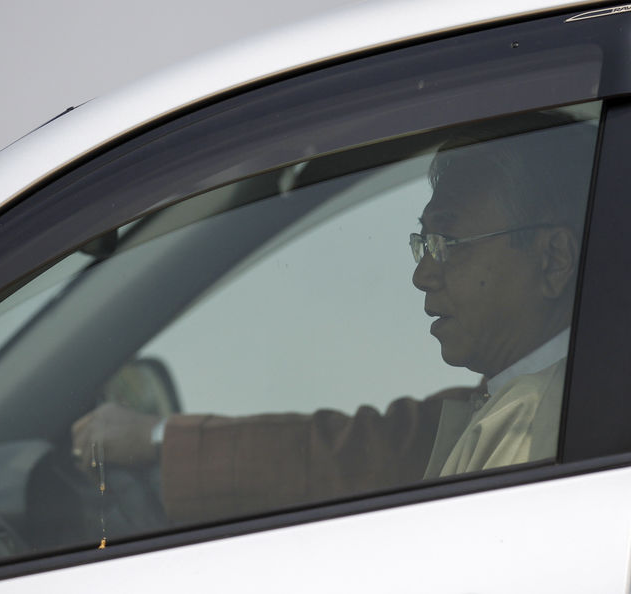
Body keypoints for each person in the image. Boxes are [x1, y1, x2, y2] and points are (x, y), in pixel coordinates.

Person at [72, 114, 595, 524]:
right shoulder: (520, 404)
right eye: (424, 244)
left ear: (552, 259)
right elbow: (359, 450)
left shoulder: (535, 426)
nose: (423, 276)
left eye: (449, 242)